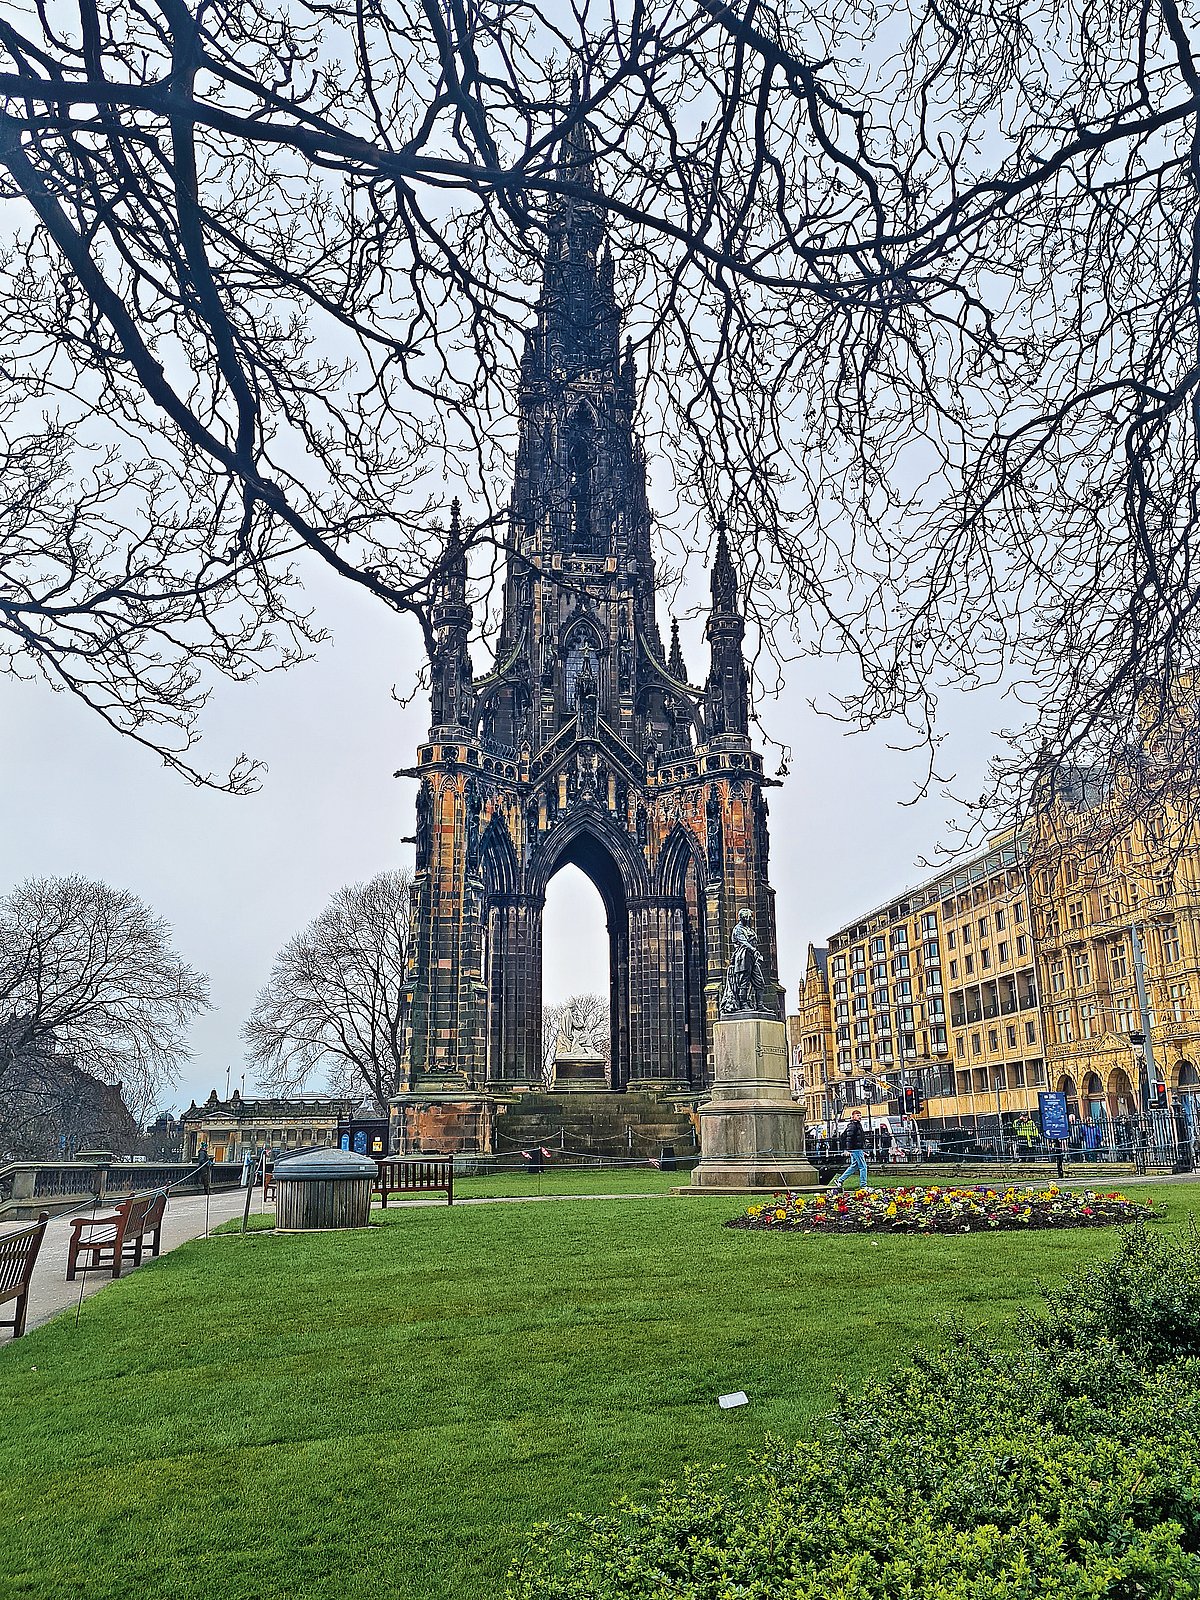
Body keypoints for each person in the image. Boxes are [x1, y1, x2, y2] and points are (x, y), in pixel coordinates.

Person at [830, 1108, 869, 1190]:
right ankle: (863, 1185)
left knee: (854, 1166)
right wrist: (849, 1149)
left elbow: (856, 1138)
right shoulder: (853, 1125)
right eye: (857, 1115)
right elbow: (849, 1138)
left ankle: (840, 1180)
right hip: (855, 1148)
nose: (859, 1117)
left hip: (856, 1148)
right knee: (863, 1167)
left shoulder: (856, 1125)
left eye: (860, 1115)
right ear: (853, 1116)